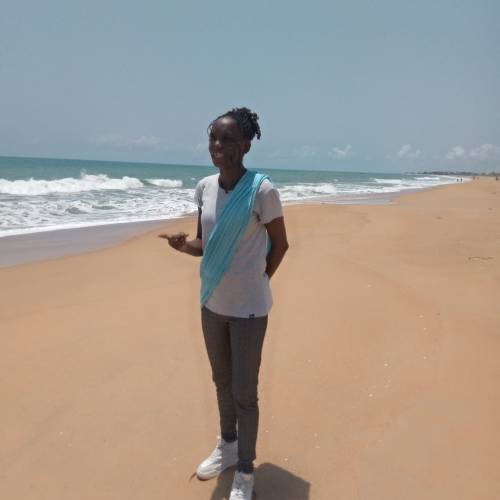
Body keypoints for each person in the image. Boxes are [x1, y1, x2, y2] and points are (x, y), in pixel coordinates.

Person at [158, 107, 289, 500]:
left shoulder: (263, 191)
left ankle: (246, 470)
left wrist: (259, 280)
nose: (217, 145)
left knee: (245, 394)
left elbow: (281, 245)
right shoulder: (204, 188)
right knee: (222, 382)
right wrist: (184, 246)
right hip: (212, 305)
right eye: (213, 138)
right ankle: (228, 446)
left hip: (249, 311)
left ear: (246, 145)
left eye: (227, 139)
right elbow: (205, 244)